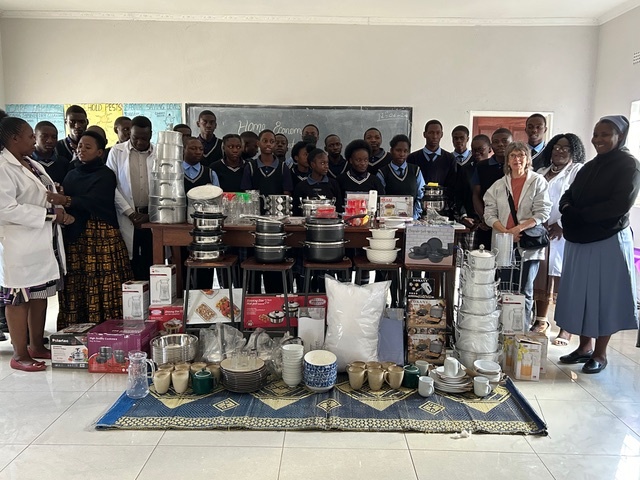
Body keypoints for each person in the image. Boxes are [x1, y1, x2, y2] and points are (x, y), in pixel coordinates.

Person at [556, 116, 640, 374]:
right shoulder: (589, 167)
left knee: (603, 296)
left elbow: (618, 205)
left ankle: (600, 354)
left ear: (620, 136)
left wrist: (578, 214)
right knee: (581, 294)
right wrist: (567, 207)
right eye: (596, 134)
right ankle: (584, 347)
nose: (598, 139)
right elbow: (568, 194)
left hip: (607, 240)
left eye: (605, 134)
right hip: (581, 239)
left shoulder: (629, 166)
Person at [0, 116, 71, 371]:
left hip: (41, 241)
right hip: (19, 244)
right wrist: (50, 214)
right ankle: (19, 354)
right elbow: (5, 209)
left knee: (40, 294)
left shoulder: (29, 163)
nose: (34, 140)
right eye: (30, 136)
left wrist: (54, 200)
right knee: (19, 298)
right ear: (14, 138)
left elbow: (41, 194)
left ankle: (37, 345)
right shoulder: (3, 167)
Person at [47, 131, 133, 327]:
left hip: (101, 236)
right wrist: (62, 198)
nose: (81, 151)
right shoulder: (71, 173)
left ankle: (108, 326)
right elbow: (66, 198)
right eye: (79, 147)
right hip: (77, 235)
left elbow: (94, 201)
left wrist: (67, 200)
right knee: (78, 282)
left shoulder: (105, 175)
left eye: (88, 147)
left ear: (100, 152)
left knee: (104, 281)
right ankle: (77, 327)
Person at [483, 141, 551, 327]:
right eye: (513, 156)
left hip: (527, 243)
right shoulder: (499, 185)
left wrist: (518, 229)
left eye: (521, 155)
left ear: (527, 159)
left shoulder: (538, 181)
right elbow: (489, 213)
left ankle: (522, 330)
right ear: (507, 160)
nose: (517, 159)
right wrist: (506, 233)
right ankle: (504, 329)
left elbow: (542, 212)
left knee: (525, 289)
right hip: (504, 242)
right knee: (504, 288)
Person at [531, 133, 585, 339]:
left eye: (565, 148)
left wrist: (561, 224)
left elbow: (578, 199)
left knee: (563, 278)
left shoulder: (576, 171)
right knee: (541, 276)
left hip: (564, 233)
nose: (559, 151)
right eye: (556, 147)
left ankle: (566, 327)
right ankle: (541, 321)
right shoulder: (542, 172)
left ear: (574, 151)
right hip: (541, 231)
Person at [106, 115, 155, 281]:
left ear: (151, 135)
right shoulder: (117, 152)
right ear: (130, 134)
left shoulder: (158, 153)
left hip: (151, 216)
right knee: (129, 262)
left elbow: (164, 187)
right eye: (136, 138)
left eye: (144, 138)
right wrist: (130, 213)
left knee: (152, 261)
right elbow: (110, 186)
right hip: (127, 216)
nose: (140, 142)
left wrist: (151, 215)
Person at [406, 119, 457, 217]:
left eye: (438, 133)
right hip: (418, 210)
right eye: (431, 133)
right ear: (424, 134)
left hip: (442, 210)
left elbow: (452, 185)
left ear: (442, 134)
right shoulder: (413, 158)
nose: (434, 136)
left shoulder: (449, 158)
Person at [471, 128, 513, 248]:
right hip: (487, 223)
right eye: (496, 141)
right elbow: (476, 195)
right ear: (491, 146)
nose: (500, 144)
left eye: (505, 141)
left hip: (512, 224)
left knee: (510, 263)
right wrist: (485, 218)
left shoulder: (517, 166)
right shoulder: (481, 166)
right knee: (484, 259)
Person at [240, 129, 293, 214]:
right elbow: (246, 193)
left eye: (272, 141)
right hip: (255, 214)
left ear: (275, 144)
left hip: (277, 215)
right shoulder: (250, 166)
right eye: (265, 141)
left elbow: (286, 194)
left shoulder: (283, 167)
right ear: (258, 143)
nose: (268, 144)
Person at [454, 134, 492, 249]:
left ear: (490, 149)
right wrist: (463, 216)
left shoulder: (496, 169)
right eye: (474, 150)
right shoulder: (466, 170)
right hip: (471, 222)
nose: (476, 153)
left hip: (492, 223)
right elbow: (458, 195)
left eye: (480, 149)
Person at [377, 134, 425, 219]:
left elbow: (420, 195)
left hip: (412, 219)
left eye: (405, 151)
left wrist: (414, 216)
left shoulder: (415, 171)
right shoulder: (382, 173)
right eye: (398, 150)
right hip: (389, 219)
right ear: (391, 150)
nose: (402, 154)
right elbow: (380, 198)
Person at [293, 148, 343, 216]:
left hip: (329, 222)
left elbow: (339, 208)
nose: (326, 166)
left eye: (327, 163)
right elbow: (297, 211)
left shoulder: (333, 184)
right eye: (322, 163)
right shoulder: (301, 186)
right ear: (313, 164)